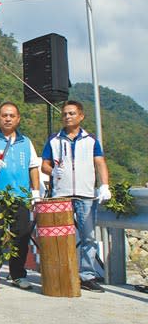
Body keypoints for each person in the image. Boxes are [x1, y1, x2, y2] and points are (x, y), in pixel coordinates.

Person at [41, 100, 111, 293]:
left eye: (72, 113)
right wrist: (53, 171)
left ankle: (87, 275)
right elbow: (44, 164)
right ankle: (64, 272)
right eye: (64, 114)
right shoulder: (54, 140)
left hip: (86, 194)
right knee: (62, 236)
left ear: (81, 116)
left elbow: (100, 163)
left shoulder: (91, 140)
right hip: (61, 196)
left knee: (88, 237)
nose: (67, 117)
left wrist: (104, 185)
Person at [0, 101, 41, 290]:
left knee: (21, 235)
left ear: (18, 119)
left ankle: (17, 274)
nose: (8, 119)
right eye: (4, 115)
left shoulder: (26, 142)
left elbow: (33, 166)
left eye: (12, 116)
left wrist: (35, 191)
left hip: (20, 196)